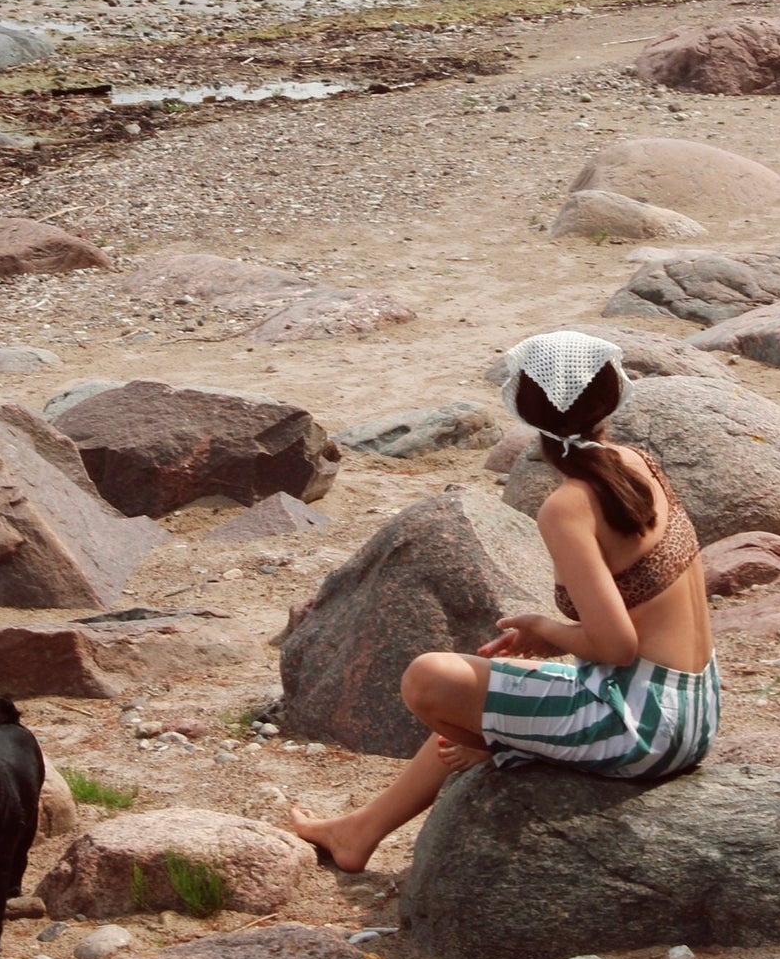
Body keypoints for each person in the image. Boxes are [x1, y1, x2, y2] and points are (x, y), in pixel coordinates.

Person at [289, 329, 718, 872]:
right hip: (692, 712)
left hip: (641, 727)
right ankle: (358, 832)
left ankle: (502, 749)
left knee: (428, 678)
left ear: (526, 411)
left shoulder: (568, 506)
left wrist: (546, 630)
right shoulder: (638, 464)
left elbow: (616, 644)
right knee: (479, 690)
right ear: (610, 394)